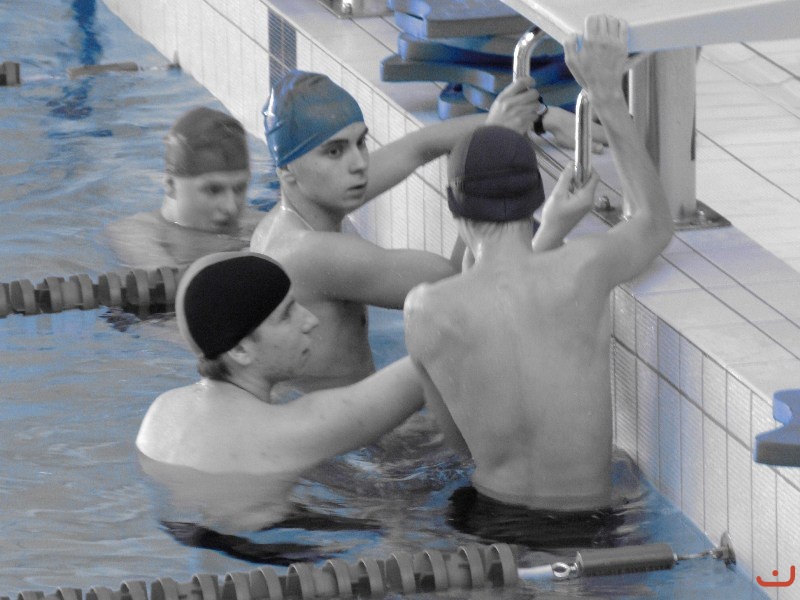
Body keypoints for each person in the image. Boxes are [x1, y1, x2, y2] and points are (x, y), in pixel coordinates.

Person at [403, 15, 674, 513]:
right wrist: (606, 95)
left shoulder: (423, 309)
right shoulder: (583, 270)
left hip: (489, 522)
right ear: (535, 197)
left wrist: (549, 231)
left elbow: (459, 444)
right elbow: (654, 223)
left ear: (455, 210)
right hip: (586, 524)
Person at [249, 70, 584, 391]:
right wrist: (492, 172)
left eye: (360, 142)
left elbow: (420, 146)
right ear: (286, 169)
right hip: (348, 430)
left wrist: (538, 119)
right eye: (334, 151)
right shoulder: (308, 253)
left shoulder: (301, 208)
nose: (359, 163)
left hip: (347, 410)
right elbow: (463, 286)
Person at [135, 250, 426, 534]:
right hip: (275, 548)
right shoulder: (286, 431)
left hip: (202, 535)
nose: (310, 320)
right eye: (287, 314)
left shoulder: (163, 410)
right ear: (240, 350)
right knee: (401, 524)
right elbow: (427, 365)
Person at [106, 107, 264, 270]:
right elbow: (172, 279)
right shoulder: (135, 233)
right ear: (171, 185)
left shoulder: (258, 223)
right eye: (214, 190)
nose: (231, 207)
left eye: (239, 188)